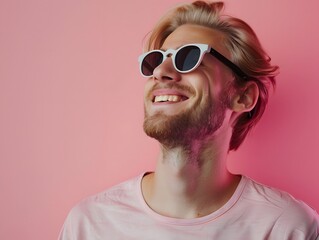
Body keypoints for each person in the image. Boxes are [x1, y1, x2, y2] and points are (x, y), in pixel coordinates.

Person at [59, 1, 319, 239]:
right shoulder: (89, 224)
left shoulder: (286, 228)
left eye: (190, 57)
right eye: (155, 60)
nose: (161, 72)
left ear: (243, 97)